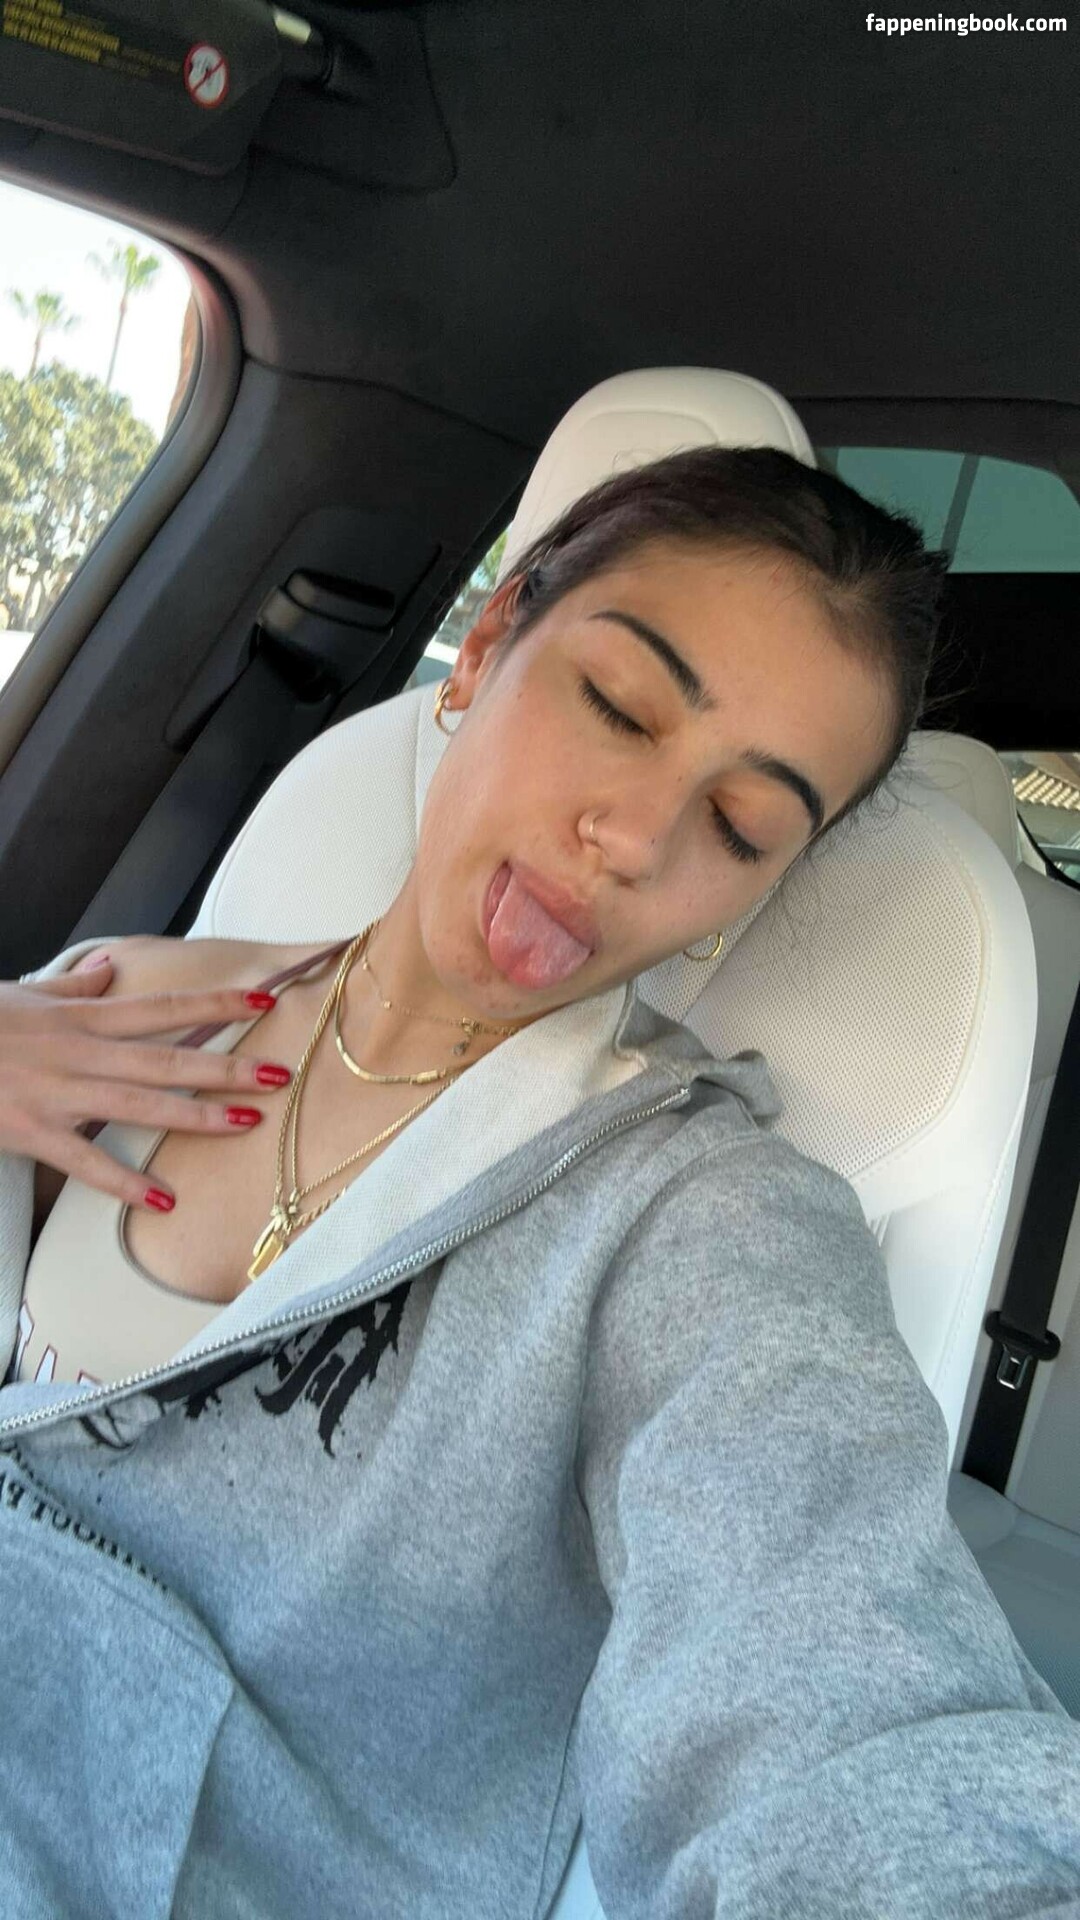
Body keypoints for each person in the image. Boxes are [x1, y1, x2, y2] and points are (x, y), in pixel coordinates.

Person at [0, 446, 1077, 1918]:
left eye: (741, 828)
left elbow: (844, 1687)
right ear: (488, 644)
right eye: (618, 707)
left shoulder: (696, 1218)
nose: (633, 839)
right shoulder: (118, 1008)